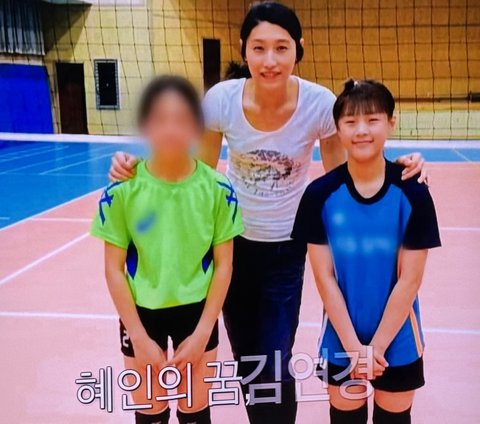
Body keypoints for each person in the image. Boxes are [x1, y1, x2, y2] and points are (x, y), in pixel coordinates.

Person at [107, 3, 428, 423]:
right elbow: (197, 175)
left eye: (281, 47)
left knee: (275, 359)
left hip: (286, 248)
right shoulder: (222, 100)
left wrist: (399, 168)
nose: (270, 60)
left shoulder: (318, 104)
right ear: (244, 49)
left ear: (298, 48)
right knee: (248, 361)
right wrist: (140, 167)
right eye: (259, 48)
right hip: (231, 246)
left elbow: (344, 177)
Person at [91, 75, 244, 424]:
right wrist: (138, 337)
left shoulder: (219, 189)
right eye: (160, 119)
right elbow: (113, 269)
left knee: (195, 412)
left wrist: (203, 332)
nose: (171, 129)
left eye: (181, 119)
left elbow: (224, 265)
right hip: (141, 314)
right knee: (150, 412)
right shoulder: (121, 191)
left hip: (197, 313)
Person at [291, 79, 441, 424]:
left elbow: (410, 279)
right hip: (340, 336)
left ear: (391, 122)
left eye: (372, 120)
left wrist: (377, 348)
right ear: (338, 128)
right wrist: (354, 348)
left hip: (399, 338)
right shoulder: (319, 196)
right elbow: (324, 278)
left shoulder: (414, 193)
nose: (361, 130)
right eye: (351, 121)